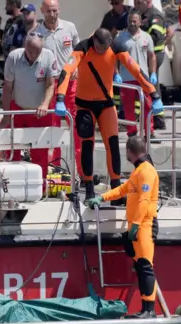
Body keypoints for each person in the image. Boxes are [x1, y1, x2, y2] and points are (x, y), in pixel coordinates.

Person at [55, 28, 163, 204]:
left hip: (106, 105)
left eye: (106, 48)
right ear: (95, 41)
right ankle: (89, 190)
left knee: (112, 145)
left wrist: (154, 94)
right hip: (85, 106)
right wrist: (60, 98)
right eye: (100, 47)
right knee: (87, 145)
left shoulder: (117, 46)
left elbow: (136, 70)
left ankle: (116, 192)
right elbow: (66, 71)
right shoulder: (82, 47)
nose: (103, 51)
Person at [87, 136, 160, 319]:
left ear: (129, 151)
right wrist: (101, 198)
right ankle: (145, 309)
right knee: (140, 265)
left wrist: (134, 227)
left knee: (145, 266)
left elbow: (144, 201)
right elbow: (122, 190)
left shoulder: (146, 172)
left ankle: (149, 310)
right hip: (137, 225)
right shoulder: (138, 172)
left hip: (144, 225)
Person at [0, 34, 59, 181]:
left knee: (40, 152)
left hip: (40, 112)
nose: (34, 55)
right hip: (18, 108)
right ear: (25, 47)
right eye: (31, 51)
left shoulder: (48, 56)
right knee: (13, 149)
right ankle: (13, 183)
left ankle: (40, 184)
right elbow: (7, 87)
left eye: (37, 51)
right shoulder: (14, 57)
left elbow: (51, 85)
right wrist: (6, 115)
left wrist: (44, 104)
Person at [36, 0, 82, 177]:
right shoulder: (36, 33)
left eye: (55, 10)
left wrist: (77, 66)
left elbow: (78, 50)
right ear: (42, 11)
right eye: (48, 11)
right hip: (50, 84)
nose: (52, 14)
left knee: (77, 126)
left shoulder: (70, 27)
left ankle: (81, 170)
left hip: (70, 82)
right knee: (52, 127)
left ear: (59, 10)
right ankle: (54, 170)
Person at [115, 10, 158, 140]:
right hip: (127, 78)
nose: (132, 24)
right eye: (130, 21)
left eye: (135, 21)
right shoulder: (120, 37)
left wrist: (153, 72)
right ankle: (132, 132)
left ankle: (149, 132)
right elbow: (114, 58)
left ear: (140, 22)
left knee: (147, 105)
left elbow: (152, 56)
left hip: (143, 78)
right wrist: (116, 74)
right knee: (128, 107)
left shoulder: (146, 37)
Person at [135, 0, 167, 130]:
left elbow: (156, 36)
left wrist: (138, 40)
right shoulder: (142, 15)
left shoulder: (155, 16)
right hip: (147, 54)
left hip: (154, 55)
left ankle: (156, 118)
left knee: (148, 84)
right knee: (151, 85)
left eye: (138, 3)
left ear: (147, 2)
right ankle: (156, 118)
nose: (136, 5)